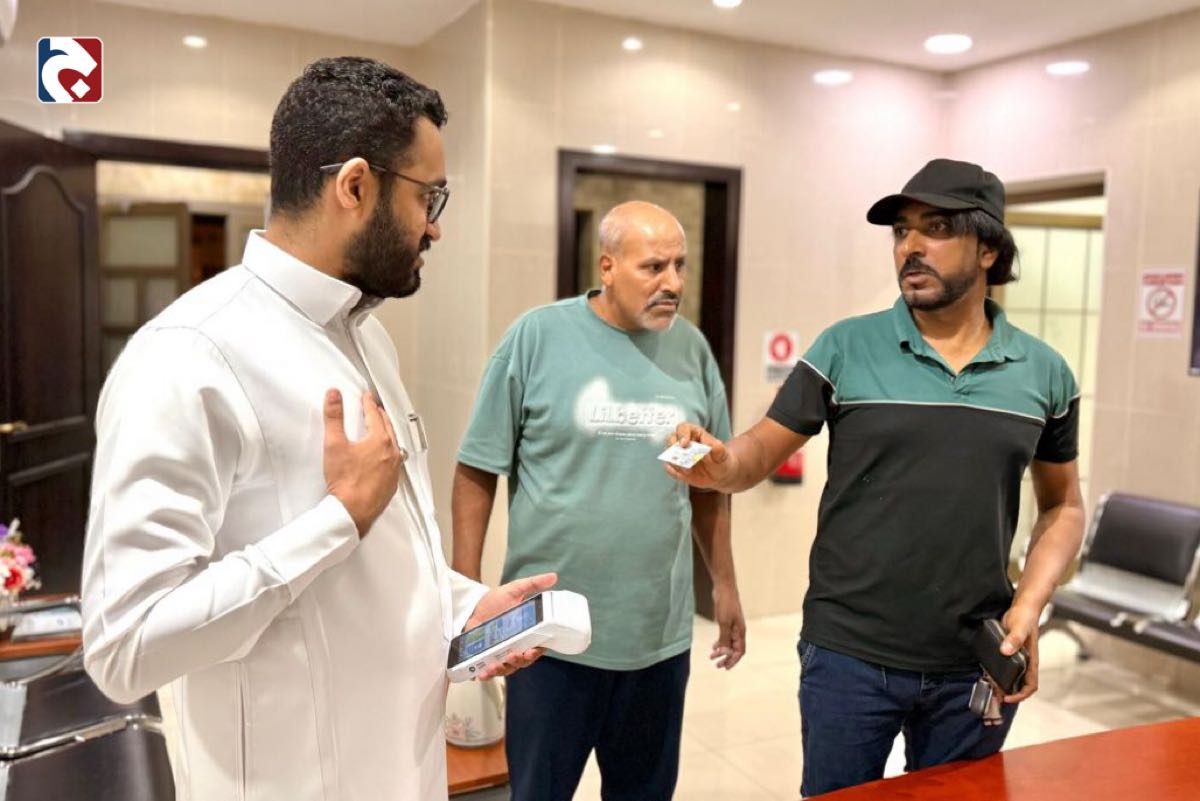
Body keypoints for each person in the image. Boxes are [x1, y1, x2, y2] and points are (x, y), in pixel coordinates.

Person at [80, 57, 553, 801]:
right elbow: (126, 646)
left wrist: (463, 606)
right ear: (355, 186)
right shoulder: (188, 356)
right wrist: (338, 519)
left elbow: (382, 569)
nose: (435, 225)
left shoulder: (369, 338)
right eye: (429, 196)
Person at [667, 159, 1086, 796]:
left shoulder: (1045, 373)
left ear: (989, 248)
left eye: (936, 228)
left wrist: (1027, 607)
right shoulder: (844, 347)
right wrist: (718, 464)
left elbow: (1064, 507)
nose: (910, 245)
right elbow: (754, 454)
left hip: (974, 659)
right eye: (900, 230)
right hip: (848, 654)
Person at [452, 200, 745, 801]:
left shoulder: (691, 349)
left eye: (680, 265)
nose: (674, 283)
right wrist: (465, 596)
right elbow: (478, 467)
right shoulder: (536, 337)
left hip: (656, 640)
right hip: (547, 638)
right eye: (654, 267)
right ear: (607, 266)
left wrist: (725, 585)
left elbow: (710, 486)